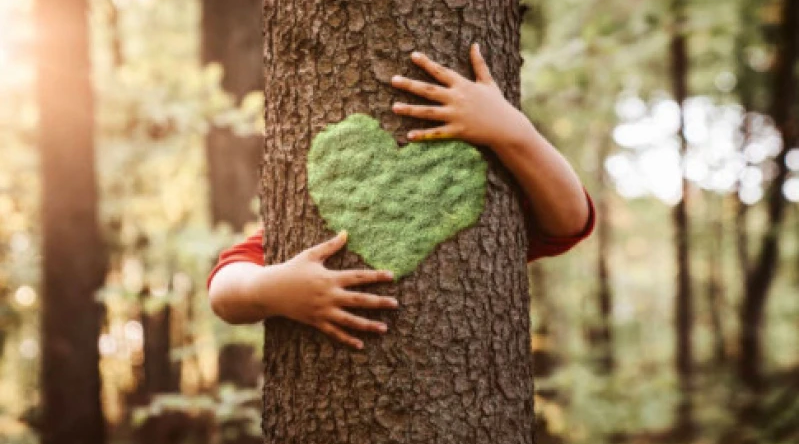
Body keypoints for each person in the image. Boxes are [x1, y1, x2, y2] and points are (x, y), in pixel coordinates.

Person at [206, 42, 596, 350]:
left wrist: (512, 131)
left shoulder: (497, 204)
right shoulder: (316, 226)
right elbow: (224, 289)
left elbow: (570, 220)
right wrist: (270, 289)